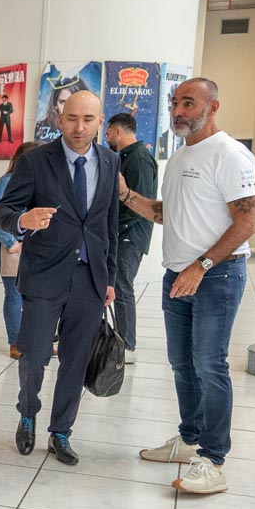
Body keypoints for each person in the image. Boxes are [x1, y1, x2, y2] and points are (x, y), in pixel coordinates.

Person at [122, 78, 255, 495]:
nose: (178, 111)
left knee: (209, 365)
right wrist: (126, 195)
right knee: (182, 364)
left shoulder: (230, 154)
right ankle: (189, 438)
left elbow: (246, 223)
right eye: (174, 103)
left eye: (188, 103)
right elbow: (167, 213)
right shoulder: (180, 156)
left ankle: (213, 460)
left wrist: (201, 266)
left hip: (216, 275)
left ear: (212, 107)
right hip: (178, 275)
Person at [0, 90, 119, 467]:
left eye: (88, 119)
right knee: (34, 355)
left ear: (100, 122)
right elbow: (1, 211)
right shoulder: (35, 161)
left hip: (89, 278)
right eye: (72, 118)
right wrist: (22, 220)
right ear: (60, 120)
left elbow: (109, 224)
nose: (79, 127)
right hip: (44, 274)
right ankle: (27, 414)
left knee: (76, 359)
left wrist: (109, 276)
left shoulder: (110, 160)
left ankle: (61, 431)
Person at [106, 112, 158, 363]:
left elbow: (141, 204)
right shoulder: (128, 157)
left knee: (122, 287)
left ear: (118, 131)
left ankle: (127, 345)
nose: (106, 139)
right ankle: (119, 340)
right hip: (123, 233)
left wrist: (115, 229)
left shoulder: (139, 159)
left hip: (130, 234)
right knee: (117, 286)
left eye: (108, 134)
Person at [0, 141, 40, 359]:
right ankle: (16, 343)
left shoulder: (40, 181)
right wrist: (10, 242)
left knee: (36, 297)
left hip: (35, 247)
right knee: (14, 295)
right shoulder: (7, 181)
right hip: (12, 247)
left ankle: (36, 342)